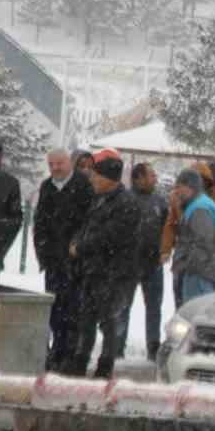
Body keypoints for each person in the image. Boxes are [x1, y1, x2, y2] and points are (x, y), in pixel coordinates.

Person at [64, 155, 140, 378]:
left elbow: (110, 237)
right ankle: (80, 361)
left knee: (108, 321)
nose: (93, 180)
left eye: (97, 176)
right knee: (86, 319)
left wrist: (82, 247)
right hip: (93, 270)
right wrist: (77, 241)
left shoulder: (125, 203)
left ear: (110, 178)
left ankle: (105, 365)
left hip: (114, 272)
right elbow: (87, 226)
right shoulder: (99, 198)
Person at [33, 148, 95, 370]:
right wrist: (43, 252)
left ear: (69, 162)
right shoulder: (47, 187)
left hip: (76, 261)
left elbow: (88, 222)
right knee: (55, 309)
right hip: (53, 261)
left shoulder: (83, 186)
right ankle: (56, 350)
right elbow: (40, 222)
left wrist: (77, 247)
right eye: (51, 164)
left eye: (59, 163)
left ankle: (70, 353)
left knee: (73, 310)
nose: (55, 168)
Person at [115, 162, 167, 359]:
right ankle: (117, 347)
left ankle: (153, 348)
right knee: (122, 308)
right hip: (128, 265)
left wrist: (164, 250)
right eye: (151, 175)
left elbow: (167, 229)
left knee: (154, 308)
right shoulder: (124, 200)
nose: (155, 179)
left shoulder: (160, 202)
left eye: (154, 175)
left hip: (153, 265)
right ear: (138, 178)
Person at [170, 169, 215, 307]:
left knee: (193, 319)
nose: (176, 192)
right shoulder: (198, 205)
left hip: (199, 276)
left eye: (178, 187)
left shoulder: (200, 208)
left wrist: (186, 266)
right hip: (200, 273)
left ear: (189, 187)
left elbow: (203, 244)